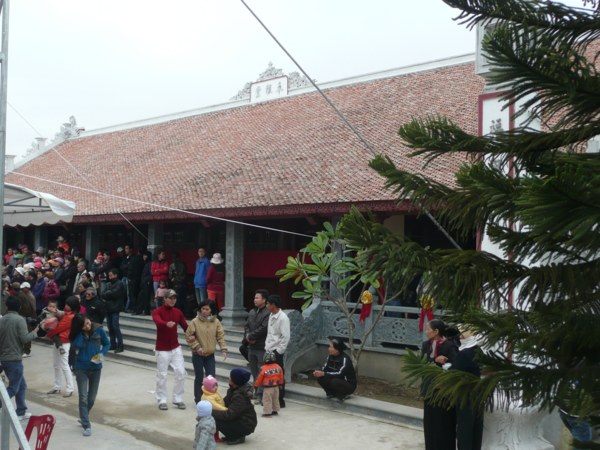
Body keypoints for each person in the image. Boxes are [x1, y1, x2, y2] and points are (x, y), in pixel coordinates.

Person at [421, 318, 459, 450]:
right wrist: (435, 360)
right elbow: (422, 363)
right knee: (430, 423)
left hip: (443, 392)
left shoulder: (450, 346)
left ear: (436, 331)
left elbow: (455, 367)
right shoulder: (426, 345)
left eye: (428, 329)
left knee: (443, 424)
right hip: (429, 390)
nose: (426, 332)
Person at [69, 313, 110, 437]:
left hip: (96, 368)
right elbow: (76, 345)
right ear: (79, 327)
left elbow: (107, 344)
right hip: (81, 369)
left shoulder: (98, 329)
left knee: (91, 398)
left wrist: (101, 355)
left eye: (88, 322)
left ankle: (83, 416)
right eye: (84, 325)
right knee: (83, 397)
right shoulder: (78, 335)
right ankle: (86, 425)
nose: (88, 325)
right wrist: (82, 334)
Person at [0, 296, 39, 420]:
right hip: (14, 359)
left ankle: (21, 411)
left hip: (4, 358)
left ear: (7, 307)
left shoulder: (2, 319)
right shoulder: (19, 320)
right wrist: (36, 331)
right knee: (14, 388)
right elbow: (25, 339)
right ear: (19, 307)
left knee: (22, 386)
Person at [152, 289, 188, 411]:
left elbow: (186, 327)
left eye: (174, 298)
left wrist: (194, 334)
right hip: (162, 349)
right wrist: (165, 323)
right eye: (170, 298)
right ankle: (162, 400)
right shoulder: (157, 311)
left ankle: (177, 399)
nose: (173, 300)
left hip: (175, 347)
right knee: (162, 375)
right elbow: (157, 321)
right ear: (165, 299)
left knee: (181, 372)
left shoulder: (178, 312)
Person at [186, 300, 228, 403]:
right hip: (198, 355)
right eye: (203, 309)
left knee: (211, 378)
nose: (205, 311)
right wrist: (197, 347)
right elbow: (189, 336)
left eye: (207, 309)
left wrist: (223, 348)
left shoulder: (216, 321)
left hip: (210, 355)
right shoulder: (195, 321)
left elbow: (220, 336)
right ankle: (198, 399)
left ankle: (210, 399)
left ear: (211, 310)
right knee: (199, 377)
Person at [453, 326, 483, 450]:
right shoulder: (478, 350)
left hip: (465, 395)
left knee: (464, 430)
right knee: (476, 428)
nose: (460, 337)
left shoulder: (464, 353)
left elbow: (455, 373)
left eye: (462, 334)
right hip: (478, 393)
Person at [212, 368, 257, 445]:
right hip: (239, 419)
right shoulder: (233, 389)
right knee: (214, 415)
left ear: (235, 381)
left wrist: (212, 412)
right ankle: (234, 434)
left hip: (246, 424)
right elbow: (223, 403)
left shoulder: (240, 396)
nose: (229, 378)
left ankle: (237, 436)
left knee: (215, 419)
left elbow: (229, 415)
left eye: (230, 377)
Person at [46, 296, 79, 397]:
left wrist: (48, 332)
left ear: (72, 306)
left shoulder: (70, 317)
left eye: (68, 304)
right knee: (57, 365)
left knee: (64, 365)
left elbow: (57, 328)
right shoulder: (67, 314)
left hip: (64, 342)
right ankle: (57, 386)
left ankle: (69, 388)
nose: (66, 306)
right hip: (60, 341)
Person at [243, 289, 270, 403]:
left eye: (257, 298)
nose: (255, 300)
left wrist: (251, 336)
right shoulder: (252, 312)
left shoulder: (267, 313)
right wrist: (248, 336)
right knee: (254, 371)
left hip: (261, 346)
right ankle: (256, 391)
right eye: (254, 298)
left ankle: (260, 394)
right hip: (251, 346)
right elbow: (246, 326)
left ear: (264, 300)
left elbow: (264, 328)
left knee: (261, 371)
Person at [264, 294, 290, 408]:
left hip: (276, 351)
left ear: (273, 305)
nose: (266, 306)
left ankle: (280, 400)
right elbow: (270, 333)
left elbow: (286, 337)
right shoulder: (271, 315)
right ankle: (271, 399)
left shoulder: (283, 318)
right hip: (269, 349)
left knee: (278, 376)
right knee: (269, 376)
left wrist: (279, 351)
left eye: (267, 304)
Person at [313, 337, 357, 401]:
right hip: (337, 379)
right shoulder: (330, 356)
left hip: (349, 385)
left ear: (337, 349)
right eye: (329, 347)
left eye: (331, 347)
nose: (329, 349)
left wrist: (324, 374)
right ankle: (331, 393)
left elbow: (340, 373)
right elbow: (325, 368)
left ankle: (343, 395)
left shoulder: (345, 359)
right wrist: (319, 372)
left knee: (334, 381)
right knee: (321, 378)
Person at [102, 268, 126, 353]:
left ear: (115, 275)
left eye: (111, 275)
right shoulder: (108, 284)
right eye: (109, 275)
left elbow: (114, 294)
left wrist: (108, 293)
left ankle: (120, 345)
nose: (109, 277)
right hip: (108, 308)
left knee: (116, 327)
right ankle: (113, 344)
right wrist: (108, 293)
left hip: (115, 308)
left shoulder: (120, 283)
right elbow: (102, 294)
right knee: (110, 327)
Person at [255, 351, 284, 417]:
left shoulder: (263, 368)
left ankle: (267, 413)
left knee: (267, 400)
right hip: (276, 387)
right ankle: (275, 410)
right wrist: (281, 384)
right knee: (275, 399)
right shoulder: (278, 367)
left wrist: (256, 385)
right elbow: (281, 376)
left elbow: (259, 378)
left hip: (268, 388)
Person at [169, 252, 188, 316]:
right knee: (183, 299)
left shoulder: (172, 265)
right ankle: (185, 313)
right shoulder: (183, 264)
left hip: (176, 284)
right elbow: (185, 275)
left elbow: (170, 276)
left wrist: (174, 279)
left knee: (177, 300)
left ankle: (177, 313)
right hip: (183, 283)